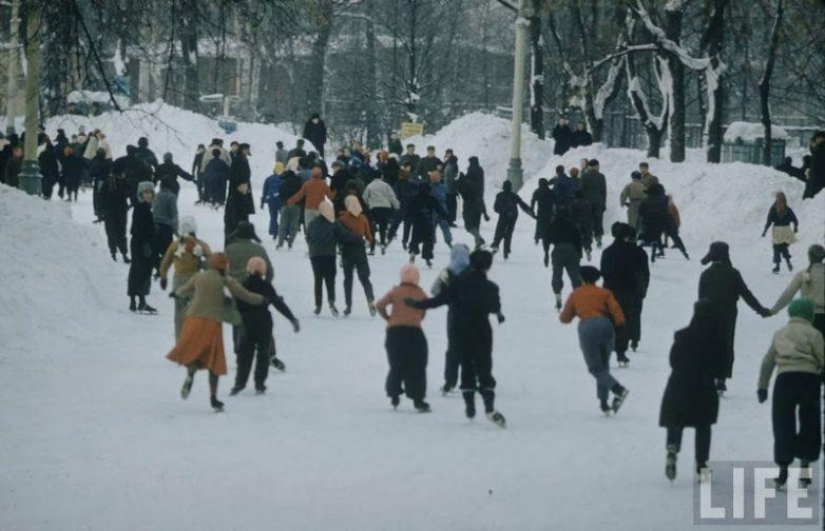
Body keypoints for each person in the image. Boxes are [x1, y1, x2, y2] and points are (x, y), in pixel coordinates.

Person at [407, 250, 507, 427]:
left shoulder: (457, 285)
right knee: (484, 368)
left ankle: (470, 407)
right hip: (482, 332)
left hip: (460, 330)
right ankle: (489, 407)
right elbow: (494, 307)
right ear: (488, 266)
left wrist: (416, 304)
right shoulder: (492, 288)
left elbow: (437, 300)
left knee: (466, 366)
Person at [168, 253, 265, 412]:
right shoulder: (225, 280)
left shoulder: (199, 277)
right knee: (214, 360)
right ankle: (214, 398)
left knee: (194, 352)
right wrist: (262, 299)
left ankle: (191, 373)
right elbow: (245, 295)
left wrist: (176, 293)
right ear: (225, 266)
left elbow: (183, 290)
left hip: (193, 320)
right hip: (212, 323)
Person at [757, 298, 824, 490]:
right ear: (809, 315)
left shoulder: (780, 333)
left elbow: (768, 362)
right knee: (810, 422)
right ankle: (805, 466)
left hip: (785, 380)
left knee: (783, 423)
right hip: (809, 380)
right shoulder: (814, 333)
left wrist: (762, 387)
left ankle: (783, 468)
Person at [660, 300, 726, 483]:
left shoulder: (682, 336)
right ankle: (702, 465)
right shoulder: (717, 339)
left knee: (675, 420)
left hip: (679, 384)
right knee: (703, 426)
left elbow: (673, 360)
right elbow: (722, 367)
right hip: (704, 387)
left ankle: (672, 449)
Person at [699, 242, 772, 395]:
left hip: (708, 315)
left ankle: (710, 376)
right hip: (728, 314)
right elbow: (746, 294)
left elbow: (701, 299)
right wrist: (760, 310)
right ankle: (721, 380)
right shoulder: (733, 273)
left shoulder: (705, 274)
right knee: (726, 344)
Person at [559, 266, 630, 416]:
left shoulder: (576, 294)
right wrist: (621, 326)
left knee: (595, 368)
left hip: (587, 328)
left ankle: (618, 390)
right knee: (603, 366)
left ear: (581, 278)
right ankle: (604, 403)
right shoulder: (605, 293)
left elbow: (565, 318)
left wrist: (575, 312)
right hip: (606, 326)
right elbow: (616, 311)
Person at [231, 257, 300, 396]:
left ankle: (240, 383)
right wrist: (292, 318)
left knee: (245, 354)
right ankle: (260, 384)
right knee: (263, 353)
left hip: (247, 322)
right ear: (263, 271)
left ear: (248, 269)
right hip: (264, 322)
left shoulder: (243, 284)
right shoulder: (266, 285)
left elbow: (236, 306)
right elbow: (277, 304)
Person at [375, 264, 431, 412]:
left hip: (394, 333)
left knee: (397, 364)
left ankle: (394, 395)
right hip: (414, 333)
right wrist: (416, 318)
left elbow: (379, 305)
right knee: (417, 365)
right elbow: (424, 310)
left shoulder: (395, 291)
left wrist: (389, 318)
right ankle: (418, 400)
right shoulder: (420, 293)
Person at [601, 222, 650, 366]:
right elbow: (645, 273)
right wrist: (643, 289)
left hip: (611, 290)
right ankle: (623, 351)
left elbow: (604, 272)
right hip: (631, 290)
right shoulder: (637, 252)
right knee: (628, 318)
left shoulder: (608, 252)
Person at [159, 216, 211, 340]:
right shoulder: (201, 245)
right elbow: (212, 263)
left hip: (179, 282)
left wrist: (163, 276)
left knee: (179, 314)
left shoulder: (175, 245)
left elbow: (165, 262)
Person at [430, 244, 471, 395]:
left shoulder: (447, 272)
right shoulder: (473, 271)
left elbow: (434, 290)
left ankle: (450, 381)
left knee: (453, 349)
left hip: (454, 315)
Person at [306, 201, 358, 316]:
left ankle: (318, 305)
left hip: (315, 255)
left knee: (318, 279)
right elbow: (344, 236)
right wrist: (358, 238)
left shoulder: (312, 223)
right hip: (329, 255)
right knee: (330, 280)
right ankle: (331, 302)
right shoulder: (334, 223)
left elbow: (308, 238)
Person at [770, 244, 825, 338]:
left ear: (809, 256)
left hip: (808, 317)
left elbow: (788, 294)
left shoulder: (802, 274)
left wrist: (774, 310)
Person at [338, 196, 376, 316]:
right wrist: (368, 242)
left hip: (347, 252)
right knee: (365, 279)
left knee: (348, 279)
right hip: (360, 251)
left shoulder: (341, 219)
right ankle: (370, 299)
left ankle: (348, 306)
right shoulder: (363, 218)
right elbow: (370, 237)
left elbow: (338, 236)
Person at [639, 183, 689, 262]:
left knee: (656, 236)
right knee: (675, 236)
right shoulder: (666, 199)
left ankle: (660, 251)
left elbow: (640, 213)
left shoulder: (645, 201)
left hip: (651, 222)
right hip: (666, 220)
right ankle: (684, 253)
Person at [128, 182, 157, 313]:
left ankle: (134, 301)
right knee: (143, 271)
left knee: (136, 270)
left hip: (137, 242)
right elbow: (141, 228)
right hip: (142, 243)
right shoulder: (143, 208)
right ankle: (141, 301)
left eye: (150, 192)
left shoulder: (141, 207)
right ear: (141, 194)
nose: (148, 195)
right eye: (146, 192)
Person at [547, 206, 583, 308]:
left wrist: (546, 254)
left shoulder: (553, 225)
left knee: (557, 276)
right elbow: (578, 241)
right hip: (571, 250)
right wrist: (579, 254)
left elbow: (547, 239)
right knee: (575, 277)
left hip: (558, 250)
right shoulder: (572, 225)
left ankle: (558, 298)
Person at [490, 180, 535, 260]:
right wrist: (531, 213)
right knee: (509, 233)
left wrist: (501, 211)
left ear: (503, 187)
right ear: (510, 188)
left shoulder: (500, 196)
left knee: (499, 231)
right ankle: (506, 250)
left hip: (503, 216)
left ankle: (496, 245)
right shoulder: (514, 196)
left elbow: (495, 208)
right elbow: (523, 205)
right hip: (513, 216)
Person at [407, 181, 448, 267]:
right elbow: (439, 209)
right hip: (427, 221)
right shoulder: (431, 198)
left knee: (415, 239)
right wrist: (445, 216)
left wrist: (409, 218)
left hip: (417, 222)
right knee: (428, 240)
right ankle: (427, 258)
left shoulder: (415, 198)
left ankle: (413, 253)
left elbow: (409, 209)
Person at [286, 166, 335, 231]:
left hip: (309, 208)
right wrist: (335, 193)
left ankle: (309, 239)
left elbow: (300, 195)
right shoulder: (323, 184)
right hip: (320, 208)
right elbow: (330, 196)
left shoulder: (307, 183)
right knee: (319, 226)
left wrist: (290, 201)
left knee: (309, 227)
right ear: (320, 174)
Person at [363, 171, 400, 255]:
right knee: (383, 228)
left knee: (372, 229)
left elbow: (364, 198)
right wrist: (396, 205)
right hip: (385, 209)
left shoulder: (369, 186)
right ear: (381, 176)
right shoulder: (386, 185)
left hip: (374, 209)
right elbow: (392, 196)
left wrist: (365, 207)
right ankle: (383, 244)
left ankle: (372, 249)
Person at [761, 191, 799, 273]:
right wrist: (795, 228)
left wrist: (765, 231)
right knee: (783, 247)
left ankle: (777, 266)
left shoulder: (773, 209)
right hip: (786, 230)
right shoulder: (788, 209)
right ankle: (788, 261)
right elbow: (795, 220)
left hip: (777, 231)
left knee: (776, 248)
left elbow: (769, 221)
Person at [457, 157, 488, 248]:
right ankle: (477, 242)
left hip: (469, 203)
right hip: (478, 201)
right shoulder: (480, 172)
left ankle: (478, 238)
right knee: (476, 224)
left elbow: (464, 185)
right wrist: (484, 212)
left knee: (468, 225)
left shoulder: (471, 172)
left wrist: (462, 178)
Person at [102, 170, 131, 263]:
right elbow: (132, 194)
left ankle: (113, 253)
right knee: (121, 233)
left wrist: (100, 212)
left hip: (109, 212)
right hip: (121, 212)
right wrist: (130, 205)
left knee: (111, 233)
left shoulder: (107, 182)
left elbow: (100, 197)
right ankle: (124, 254)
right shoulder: (125, 182)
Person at [152, 177, 179, 277]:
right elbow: (174, 215)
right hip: (166, 228)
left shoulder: (155, 196)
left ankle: (157, 267)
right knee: (167, 251)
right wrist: (176, 231)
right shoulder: (171, 197)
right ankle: (162, 268)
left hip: (154, 226)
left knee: (154, 249)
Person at [581, 159, 606, 248]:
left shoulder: (584, 176)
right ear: (596, 166)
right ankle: (598, 238)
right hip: (598, 202)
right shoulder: (601, 176)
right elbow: (604, 191)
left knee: (588, 221)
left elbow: (582, 190)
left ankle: (588, 239)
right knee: (598, 221)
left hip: (587, 203)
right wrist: (604, 204)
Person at [276, 170, 302, 249]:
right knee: (294, 225)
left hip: (285, 205)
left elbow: (280, 194)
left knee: (283, 225)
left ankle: (280, 243)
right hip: (296, 206)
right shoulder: (299, 183)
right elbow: (301, 194)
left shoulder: (284, 183)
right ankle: (290, 242)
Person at [429, 170, 453, 250]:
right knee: (437, 227)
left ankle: (448, 241)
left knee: (441, 226)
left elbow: (448, 198)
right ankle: (435, 241)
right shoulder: (433, 187)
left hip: (438, 210)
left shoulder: (439, 187)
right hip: (438, 210)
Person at [261, 162, 285, 240]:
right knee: (283, 217)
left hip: (270, 200)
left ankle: (274, 232)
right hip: (280, 200)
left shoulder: (268, 179)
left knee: (273, 217)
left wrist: (262, 202)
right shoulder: (283, 179)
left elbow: (265, 191)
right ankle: (283, 232)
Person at [89, 149, 111, 220]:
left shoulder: (95, 161)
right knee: (105, 197)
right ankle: (105, 212)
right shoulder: (108, 162)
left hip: (99, 181)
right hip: (107, 181)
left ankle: (99, 214)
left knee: (98, 197)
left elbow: (91, 172)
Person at [571, 191, 594, 262]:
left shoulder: (574, 203)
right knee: (587, 238)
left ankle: (578, 256)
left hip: (577, 223)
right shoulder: (588, 202)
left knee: (577, 239)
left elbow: (572, 214)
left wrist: (573, 223)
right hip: (587, 223)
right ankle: (587, 249)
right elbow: (591, 213)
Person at [802, 130, 824, 200]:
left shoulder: (821, 148)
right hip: (816, 178)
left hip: (818, 179)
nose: (817, 139)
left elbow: (819, 161)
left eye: (820, 138)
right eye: (816, 138)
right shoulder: (819, 148)